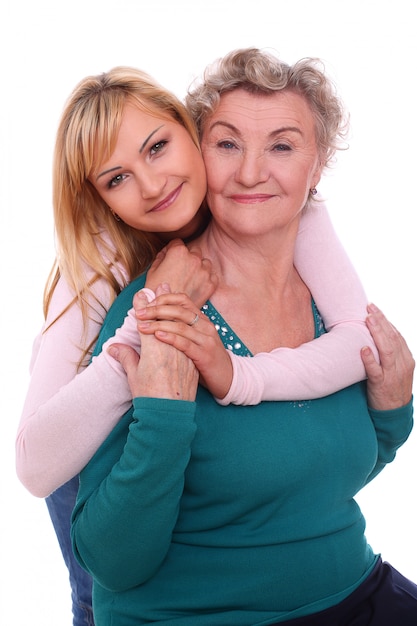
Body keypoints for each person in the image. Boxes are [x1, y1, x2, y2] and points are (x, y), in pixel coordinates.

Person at [70, 48, 415, 625]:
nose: (252, 172)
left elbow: (308, 476)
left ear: (319, 163)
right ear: (199, 153)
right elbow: (111, 562)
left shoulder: (334, 304)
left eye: (282, 145)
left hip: (353, 589)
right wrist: (163, 414)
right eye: (228, 144)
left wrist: (392, 413)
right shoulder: (159, 311)